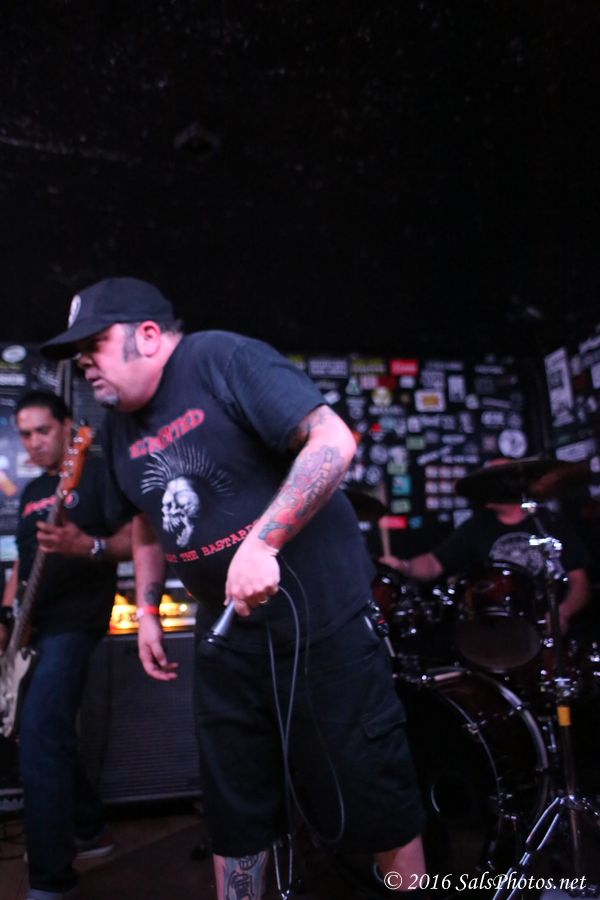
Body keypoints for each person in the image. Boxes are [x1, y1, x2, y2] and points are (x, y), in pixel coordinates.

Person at [41, 276, 427, 899]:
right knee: (235, 814)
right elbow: (145, 522)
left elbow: (333, 439)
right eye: (76, 353)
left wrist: (264, 542)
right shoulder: (116, 429)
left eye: (94, 344)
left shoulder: (220, 358)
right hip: (228, 643)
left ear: (148, 335)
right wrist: (146, 609)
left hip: (323, 630)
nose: (83, 362)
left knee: (375, 801)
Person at [0, 390, 132, 900]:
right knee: (40, 731)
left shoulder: (94, 474)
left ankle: (50, 880)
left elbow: (135, 540)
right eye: (25, 434)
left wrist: (87, 545)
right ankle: (90, 828)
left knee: (39, 731)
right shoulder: (33, 489)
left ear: (68, 428)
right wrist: (6, 621)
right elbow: (23, 562)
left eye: (43, 430)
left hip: (75, 623)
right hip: (29, 629)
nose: (34, 442)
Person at [381, 477, 590, 637]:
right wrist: (404, 566)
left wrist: (563, 611)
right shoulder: (477, 527)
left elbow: (579, 582)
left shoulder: (549, 523)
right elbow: (434, 563)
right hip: (495, 632)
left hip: (545, 630)